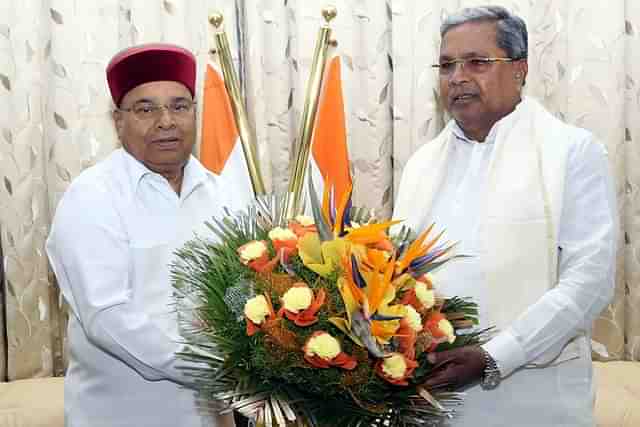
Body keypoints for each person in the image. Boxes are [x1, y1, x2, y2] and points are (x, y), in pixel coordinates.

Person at [394, 6, 617, 427]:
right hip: (431, 403)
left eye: (476, 62)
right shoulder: (420, 166)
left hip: (535, 402)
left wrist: (495, 356)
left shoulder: (571, 152)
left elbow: (589, 282)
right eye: (446, 65)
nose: (457, 77)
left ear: (520, 70)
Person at [46, 43, 251, 427]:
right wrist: (212, 368)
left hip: (214, 414)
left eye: (179, 105)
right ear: (118, 120)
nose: (166, 121)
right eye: (145, 109)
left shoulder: (223, 192)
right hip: (124, 415)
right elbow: (107, 315)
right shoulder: (92, 197)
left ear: (194, 113)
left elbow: (242, 286)